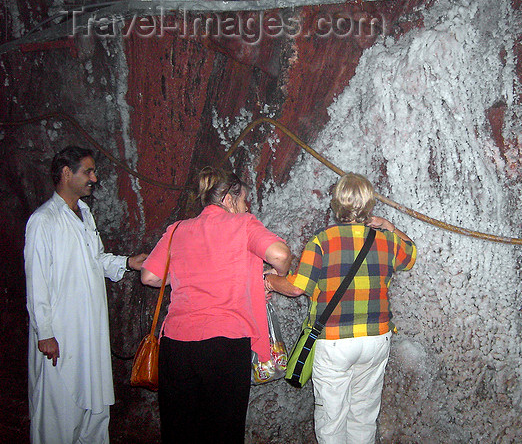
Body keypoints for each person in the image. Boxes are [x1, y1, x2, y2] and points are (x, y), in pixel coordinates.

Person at [140, 167, 292, 443]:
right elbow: (280, 254)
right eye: (244, 200)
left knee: (180, 432)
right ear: (228, 199)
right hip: (225, 344)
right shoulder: (243, 223)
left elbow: (150, 276)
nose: (246, 206)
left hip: (176, 346)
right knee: (223, 432)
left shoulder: (177, 230)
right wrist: (273, 277)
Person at [265, 172, 417, 444]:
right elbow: (412, 254)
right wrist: (389, 226)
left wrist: (270, 281)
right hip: (375, 339)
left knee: (331, 417)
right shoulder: (386, 241)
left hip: (334, 341)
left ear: (336, 204)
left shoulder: (322, 241)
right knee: (363, 414)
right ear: (369, 204)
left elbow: (298, 287)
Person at [23, 145, 148, 444]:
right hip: (61, 335)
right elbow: (36, 280)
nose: (94, 177)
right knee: (58, 411)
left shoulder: (84, 214)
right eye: (87, 171)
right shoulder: (44, 221)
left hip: (90, 333)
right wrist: (45, 333)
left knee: (94, 408)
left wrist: (129, 263)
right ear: (67, 173)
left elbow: (96, 260)